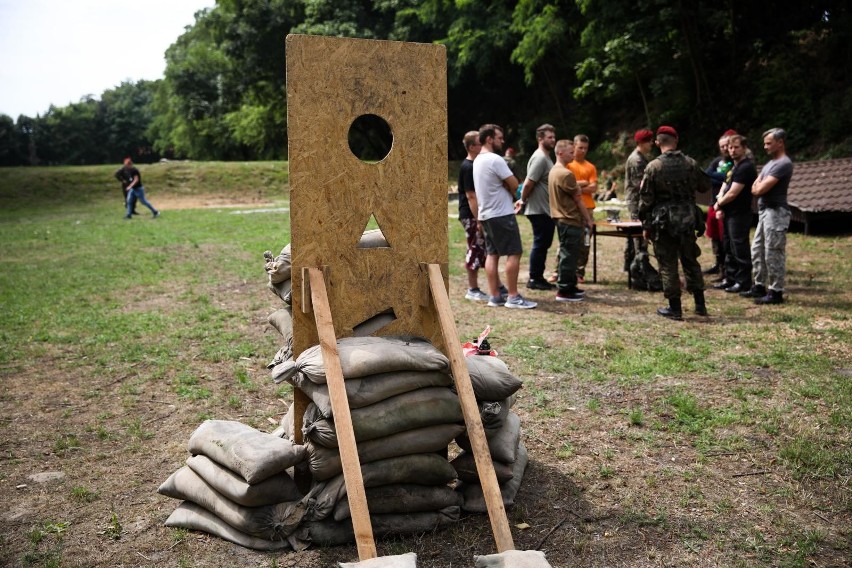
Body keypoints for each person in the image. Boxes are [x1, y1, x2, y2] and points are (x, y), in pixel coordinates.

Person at [639, 126, 711, 320]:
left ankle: (675, 308)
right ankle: (700, 304)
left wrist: (645, 225)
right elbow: (705, 185)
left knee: (668, 264)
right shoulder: (691, 163)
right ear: (676, 140)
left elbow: (646, 200)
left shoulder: (653, 167)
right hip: (687, 219)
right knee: (690, 261)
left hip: (663, 222)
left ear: (657, 143)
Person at [472, 124, 537, 309]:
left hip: (486, 214)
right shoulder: (495, 159)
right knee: (514, 252)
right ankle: (513, 297)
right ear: (490, 139)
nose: (502, 141)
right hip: (501, 213)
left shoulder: (478, 160)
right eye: (499, 138)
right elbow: (514, 183)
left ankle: (495, 296)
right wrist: (511, 190)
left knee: (492, 254)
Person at [741, 128, 794, 305]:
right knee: (757, 249)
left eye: (768, 143)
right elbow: (756, 185)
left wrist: (757, 187)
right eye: (765, 143)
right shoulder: (769, 164)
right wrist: (757, 187)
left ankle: (775, 291)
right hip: (765, 212)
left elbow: (760, 188)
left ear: (780, 143)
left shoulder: (783, 164)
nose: (765, 147)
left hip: (776, 212)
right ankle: (759, 285)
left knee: (773, 251)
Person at [457, 131, 504, 301]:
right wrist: (478, 219)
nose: (483, 145)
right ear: (471, 147)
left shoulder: (476, 164)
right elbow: (471, 196)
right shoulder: (468, 167)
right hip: (471, 215)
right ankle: (473, 289)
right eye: (479, 143)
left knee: (485, 250)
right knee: (474, 249)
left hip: (478, 215)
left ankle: (498, 285)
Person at [549, 139, 594, 302]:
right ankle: (564, 290)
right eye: (570, 152)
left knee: (570, 254)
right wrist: (588, 219)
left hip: (561, 219)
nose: (573, 154)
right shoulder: (565, 174)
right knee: (569, 256)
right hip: (570, 219)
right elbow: (578, 199)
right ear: (560, 153)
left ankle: (571, 286)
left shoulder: (554, 171)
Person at [712, 134, 756, 294]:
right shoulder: (734, 167)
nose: (732, 150)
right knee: (728, 246)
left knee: (739, 248)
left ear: (744, 148)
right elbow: (725, 185)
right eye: (730, 147)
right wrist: (721, 203)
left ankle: (743, 282)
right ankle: (730, 278)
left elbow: (733, 193)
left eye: (736, 147)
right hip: (729, 213)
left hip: (740, 213)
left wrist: (718, 203)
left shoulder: (746, 167)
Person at [518, 124, 557, 291]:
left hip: (546, 209)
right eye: (549, 137)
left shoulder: (546, 157)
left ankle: (538, 277)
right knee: (540, 244)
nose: (553, 140)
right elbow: (528, 183)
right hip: (539, 209)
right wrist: (522, 200)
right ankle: (534, 278)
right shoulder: (540, 158)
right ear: (540, 139)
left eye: (554, 137)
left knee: (543, 244)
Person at [703, 131, 736, 277]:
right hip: (713, 202)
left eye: (726, 145)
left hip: (726, 204)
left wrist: (718, 177)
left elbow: (727, 178)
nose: (724, 148)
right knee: (714, 235)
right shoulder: (717, 161)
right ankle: (718, 263)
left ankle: (728, 268)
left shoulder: (735, 162)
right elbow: (706, 175)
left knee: (725, 237)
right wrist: (720, 178)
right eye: (721, 146)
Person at [567, 134, 598, 282]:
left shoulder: (590, 167)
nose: (583, 151)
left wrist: (578, 185)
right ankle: (560, 270)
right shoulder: (568, 165)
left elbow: (593, 188)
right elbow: (567, 186)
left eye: (585, 148)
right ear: (574, 147)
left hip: (589, 208)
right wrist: (583, 183)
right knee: (568, 240)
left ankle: (579, 272)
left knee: (585, 241)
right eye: (580, 148)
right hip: (572, 208)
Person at [623, 129, 654, 271]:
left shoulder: (639, 157)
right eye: (649, 141)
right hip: (637, 202)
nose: (651, 143)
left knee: (633, 233)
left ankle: (630, 263)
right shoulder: (637, 160)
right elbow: (641, 184)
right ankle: (640, 264)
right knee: (638, 234)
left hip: (635, 200)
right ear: (641, 142)